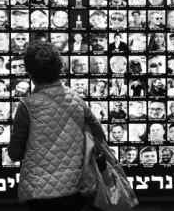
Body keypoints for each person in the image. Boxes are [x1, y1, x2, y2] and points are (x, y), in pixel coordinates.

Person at [8, 42, 107, 210]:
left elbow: (15, 153)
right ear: (59, 67)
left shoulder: (27, 106)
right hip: (77, 190)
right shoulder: (77, 100)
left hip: (38, 192)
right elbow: (100, 137)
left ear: (30, 72)